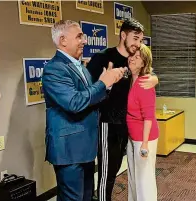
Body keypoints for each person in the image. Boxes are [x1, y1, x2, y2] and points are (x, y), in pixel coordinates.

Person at [42, 19, 126, 201]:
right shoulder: (54, 69)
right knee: (73, 198)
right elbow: (74, 102)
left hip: (86, 147)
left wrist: (107, 86)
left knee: (86, 196)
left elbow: (92, 97)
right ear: (63, 40)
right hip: (69, 151)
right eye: (79, 36)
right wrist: (103, 83)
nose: (85, 40)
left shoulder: (81, 67)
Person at [87, 18, 158, 201]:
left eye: (141, 40)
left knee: (119, 168)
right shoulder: (103, 57)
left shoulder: (131, 61)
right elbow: (87, 91)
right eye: (135, 38)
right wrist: (105, 85)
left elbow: (145, 71)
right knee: (107, 173)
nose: (137, 45)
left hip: (126, 126)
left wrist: (155, 78)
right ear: (123, 35)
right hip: (107, 124)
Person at [126, 44, 159, 201]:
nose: (132, 58)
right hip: (133, 138)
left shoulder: (144, 83)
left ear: (143, 63)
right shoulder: (130, 80)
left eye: (137, 57)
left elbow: (148, 116)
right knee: (134, 177)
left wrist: (145, 143)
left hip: (144, 138)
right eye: (131, 55)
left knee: (144, 180)